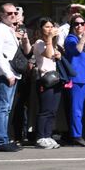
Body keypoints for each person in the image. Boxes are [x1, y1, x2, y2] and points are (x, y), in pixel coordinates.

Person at [0, 4, 24, 152]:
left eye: (15, 13)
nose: (13, 15)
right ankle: (1, 140)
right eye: (9, 13)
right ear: (1, 14)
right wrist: (8, 74)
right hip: (5, 74)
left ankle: (4, 138)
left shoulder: (8, 29)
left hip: (11, 73)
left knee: (6, 108)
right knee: (3, 108)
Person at [62, 15, 85, 146]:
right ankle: (76, 135)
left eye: (82, 23)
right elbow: (76, 51)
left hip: (84, 78)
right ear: (72, 26)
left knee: (80, 109)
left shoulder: (82, 39)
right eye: (76, 24)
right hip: (76, 79)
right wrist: (83, 38)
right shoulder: (71, 39)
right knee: (76, 109)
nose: (80, 26)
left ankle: (77, 134)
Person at [31, 17, 64, 150]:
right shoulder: (39, 43)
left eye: (51, 27)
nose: (50, 29)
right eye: (47, 27)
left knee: (53, 110)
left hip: (55, 78)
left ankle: (48, 134)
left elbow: (56, 55)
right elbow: (49, 54)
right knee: (45, 109)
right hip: (45, 79)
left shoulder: (53, 43)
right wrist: (50, 39)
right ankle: (40, 137)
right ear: (41, 29)